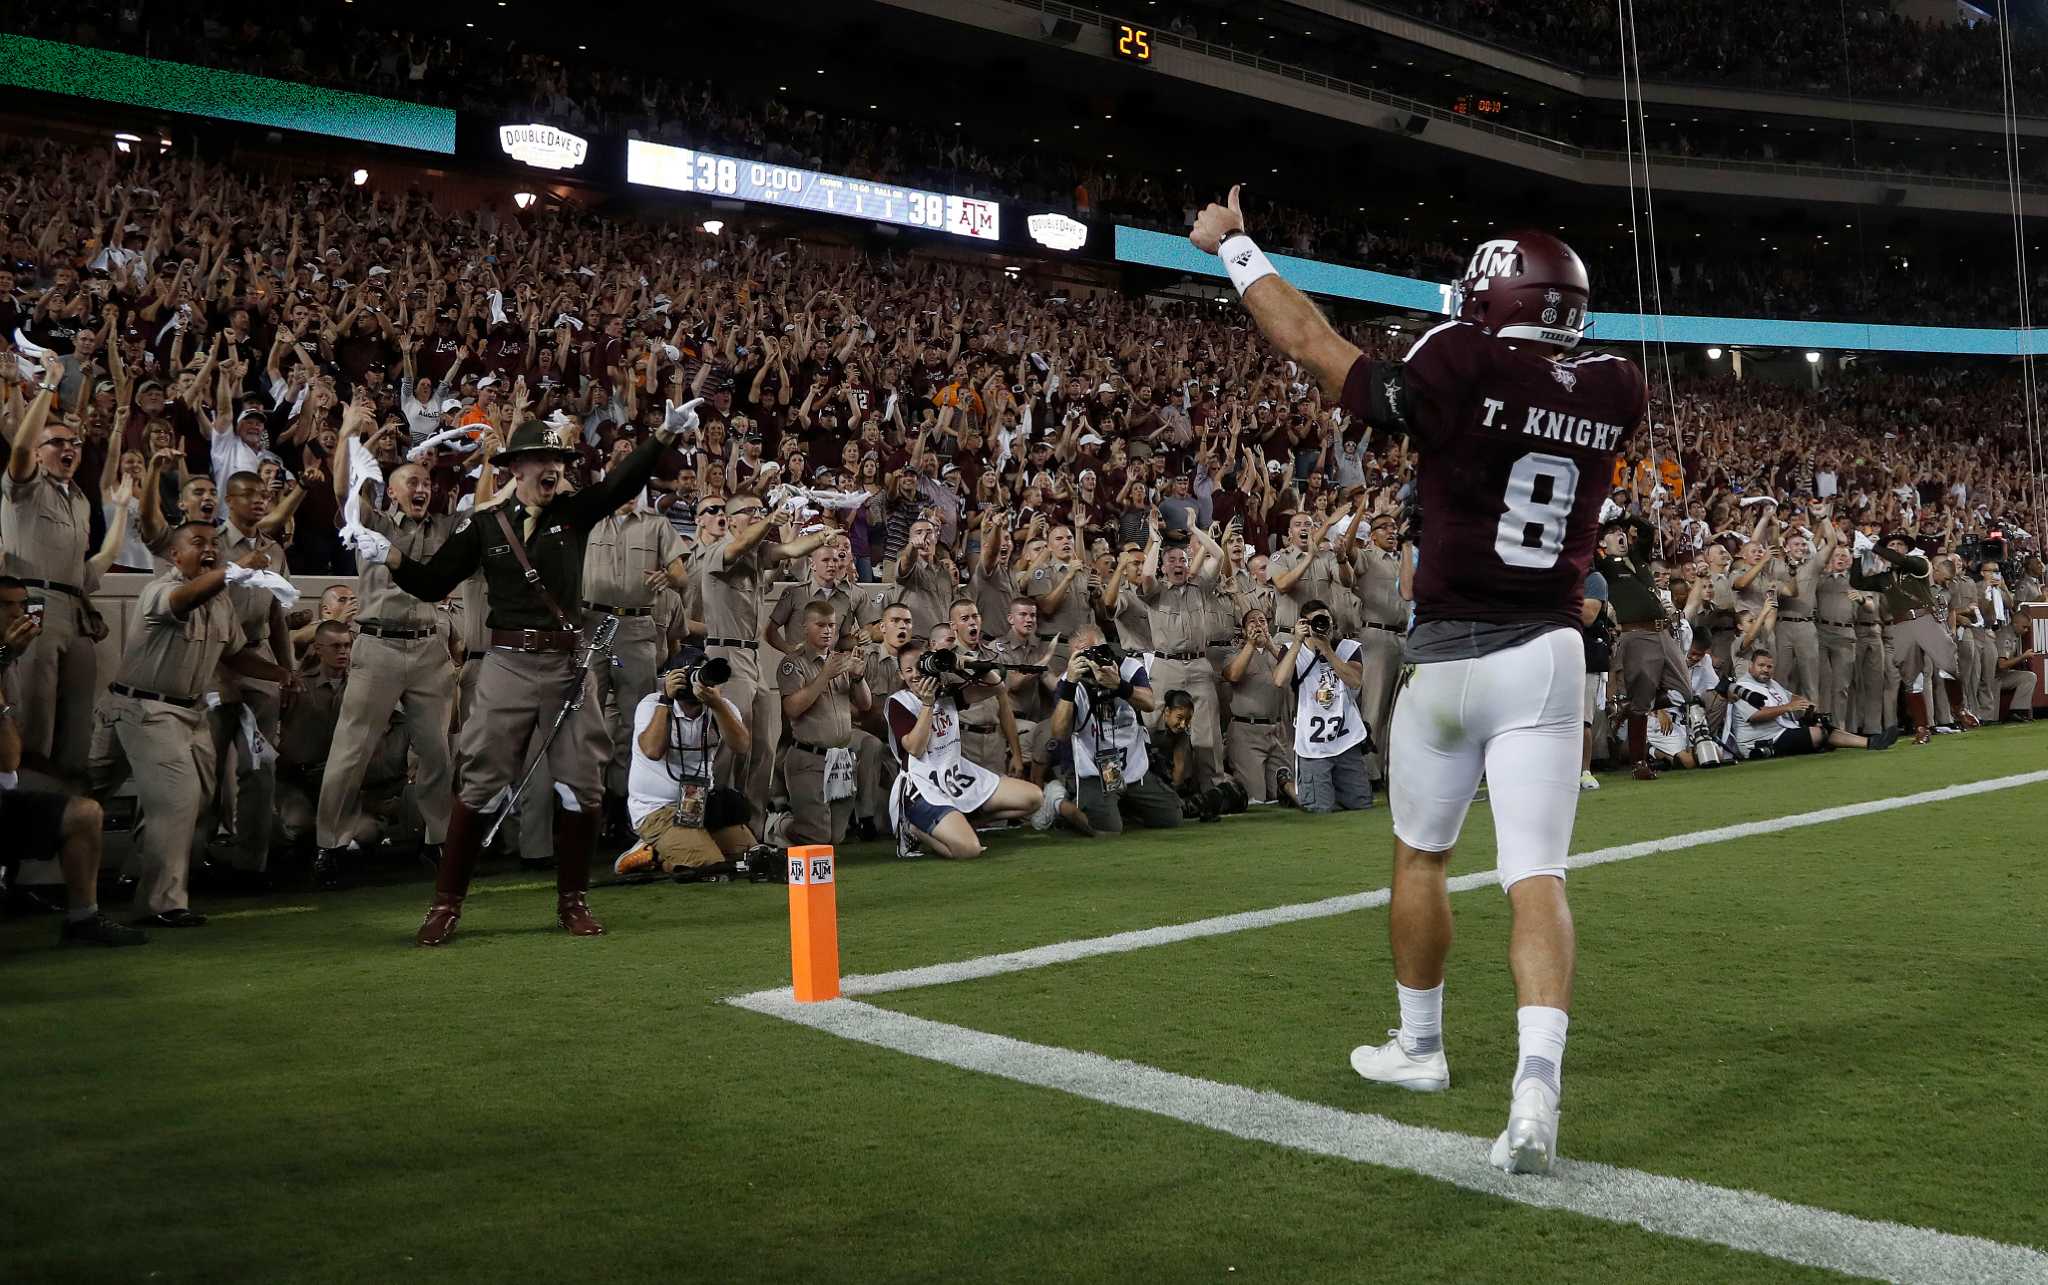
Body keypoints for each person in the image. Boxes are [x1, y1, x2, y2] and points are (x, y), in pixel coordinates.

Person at [1195, 193, 1642, 1173]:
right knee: (1535, 875)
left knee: (1421, 857)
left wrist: (1234, 247)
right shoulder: (1615, 386)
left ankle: (1421, 1047)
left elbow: (1312, 346)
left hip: (1447, 649)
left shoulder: (1458, 356)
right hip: (1547, 652)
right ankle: (1534, 1084)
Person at [371, 402, 696, 946]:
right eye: (541, 458)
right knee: (480, 782)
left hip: (568, 665)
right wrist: (393, 558)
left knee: (583, 785)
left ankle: (573, 900)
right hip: (507, 664)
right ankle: (446, 904)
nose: (553, 467)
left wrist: (662, 433)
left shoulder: (575, 512)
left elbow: (621, 481)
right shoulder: (482, 525)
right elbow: (432, 584)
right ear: (515, 468)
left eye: (559, 458)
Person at [87, 522, 301, 927]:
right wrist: (236, 569)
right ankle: (153, 901)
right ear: (174, 555)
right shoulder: (161, 590)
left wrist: (279, 673)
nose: (210, 548)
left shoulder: (221, 603)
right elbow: (183, 601)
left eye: (214, 544)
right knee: (87, 794)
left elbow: (236, 654)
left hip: (187, 712)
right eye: (197, 542)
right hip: (143, 709)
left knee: (179, 799)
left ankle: (157, 900)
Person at [314, 405, 457, 886]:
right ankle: (329, 845)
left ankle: (439, 841)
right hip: (376, 645)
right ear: (391, 490)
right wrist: (348, 435)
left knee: (437, 752)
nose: (421, 489)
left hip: (429, 648)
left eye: (426, 483)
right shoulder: (372, 521)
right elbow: (340, 492)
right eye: (411, 482)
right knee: (351, 749)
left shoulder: (443, 527)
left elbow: (482, 510)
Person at [0, 577, 146, 946]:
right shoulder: (5, 658)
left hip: (7, 793)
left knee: (83, 811)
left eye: (22, 604)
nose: (19, 614)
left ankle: (83, 919)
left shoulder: (11, 660)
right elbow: (7, 757)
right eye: (6, 605)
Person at [695, 490, 833, 810]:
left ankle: (751, 828)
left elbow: (791, 548)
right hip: (724, 656)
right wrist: (771, 518)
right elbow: (741, 545)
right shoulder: (719, 550)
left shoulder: (758, 553)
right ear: (730, 521)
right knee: (731, 745)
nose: (757, 515)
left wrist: (823, 536)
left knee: (763, 748)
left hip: (753, 658)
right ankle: (717, 815)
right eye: (750, 511)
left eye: (760, 510)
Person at [2, 383, 100, 781]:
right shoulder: (24, 487)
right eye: (56, 442)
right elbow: (20, 448)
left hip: (75, 609)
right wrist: (46, 385)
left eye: (73, 442)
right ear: (38, 455)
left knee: (79, 719)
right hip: (33, 602)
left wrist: (125, 510)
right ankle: (26, 798)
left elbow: (90, 565)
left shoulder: (80, 499)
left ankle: (69, 802)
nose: (68, 448)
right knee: (35, 712)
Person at [884, 637, 1043, 858]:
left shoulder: (947, 692)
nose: (915, 674)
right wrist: (928, 704)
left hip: (955, 777)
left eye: (920, 666)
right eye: (908, 670)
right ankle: (913, 828)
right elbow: (915, 748)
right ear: (901, 675)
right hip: (922, 787)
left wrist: (963, 664)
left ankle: (964, 821)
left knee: (1034, 798)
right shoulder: (900, 702)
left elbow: (997, 686)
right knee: (968, 850)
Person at [615, 650, 764, 878]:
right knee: (708, 865)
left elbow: (742, 746)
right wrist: (666, 699)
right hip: (657, 809)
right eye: (693, 675)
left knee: (747, 857)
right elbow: (652, 751)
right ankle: (655, 853)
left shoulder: (720, 707)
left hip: (700, 806)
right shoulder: (652, 704)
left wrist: (717, 704)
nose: (700, 682)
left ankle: (664, 849)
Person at [1595, 515, 1718, 779]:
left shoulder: (1638, 559)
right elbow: (1589, 542)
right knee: (1642, 701)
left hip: (1663, 632)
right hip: (1637, 634)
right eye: (1613, 534)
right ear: (1603, 542)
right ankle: (1640, 763)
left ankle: (1630, 711)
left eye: (1622, 533)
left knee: (1686, 688)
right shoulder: (1604, 565)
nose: (1620, 537)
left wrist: (1626, 518)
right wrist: (1603, 527)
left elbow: (1647, 531)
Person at [1046, 626, 1181, 834]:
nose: (1087, 662)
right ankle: (1060, 804)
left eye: (1091, 653)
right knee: (1108, 830)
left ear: (1105, 649)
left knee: (1171, 817)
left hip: (1133, 767)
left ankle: (1120, 804)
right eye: (1079, 656)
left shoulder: (1129, 668)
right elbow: (1059, 733)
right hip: (1094, 771)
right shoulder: (1069, 681)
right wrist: (1071, 685)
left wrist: (1119, 686)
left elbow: (1149, 703)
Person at [1850, 531, 1972, 744]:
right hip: (1900, 625)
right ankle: (1922, 728)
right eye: (1892, 544)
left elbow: (1902, 560)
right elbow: (1857, 581)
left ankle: (1959, 709)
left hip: (1925, 619)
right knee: (1912, 680)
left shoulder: (1919, 565)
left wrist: (1875, 547)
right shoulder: (1886, 577)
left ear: (1906, 549)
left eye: (1899, 544)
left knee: (1948, 665)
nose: (1896, 547)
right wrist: (1857, 556)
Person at [777, 600, 872, 846]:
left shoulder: (841, 660)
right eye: (820, 625)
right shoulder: (793, 663)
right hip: (810, 758)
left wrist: (859, 678)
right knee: (816, 836)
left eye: (832, 625)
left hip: (841, 757)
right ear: (804, 627)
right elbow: (792, 708)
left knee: (836, 836)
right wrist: (824, 675)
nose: (828, 630)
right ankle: (777, 826)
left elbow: (865, 705)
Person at [1276, 600, 1373, 812]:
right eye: (1314, 622)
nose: (1321, 625)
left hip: (1346, 738)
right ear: (1303, 624)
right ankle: (1287, 786)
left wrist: (1327, 649)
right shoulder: (1291, 650)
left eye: (1325, 620)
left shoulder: (1348, 648)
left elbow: (1355, 680)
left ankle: (1324, 789)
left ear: (1333, 622)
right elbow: (1280, 681)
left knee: (1361, 805)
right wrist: (1297, 642)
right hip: (1313, 744)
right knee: (1319, 808)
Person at [1725, 650, 1897, 758]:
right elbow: (1755, 716)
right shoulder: (1742, 687)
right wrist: (1787, 708)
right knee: (1818, 734)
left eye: (1769, 667)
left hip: (1779, 731)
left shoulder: (1771, 683)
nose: (1765, 670)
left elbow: (1792, 697)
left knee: (1822, 725)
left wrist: (1804, 705)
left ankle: (1872, 742)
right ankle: (1821, 745)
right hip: (1760, 740)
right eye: (1761, 665)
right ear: (1750, 667)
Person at [1219, 606, 1296, 805]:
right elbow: (1233, 675)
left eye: (1262, 621)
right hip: (1247, 733)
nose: (1258, 625)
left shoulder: (1277, 652)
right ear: (1244, 631)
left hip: (1277, 732)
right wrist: (1251, 645)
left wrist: (1270, 644)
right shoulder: (1234, 654)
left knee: (1282, 795)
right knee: (1255, 798)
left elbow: (1293, 672)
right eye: (1252, 622)